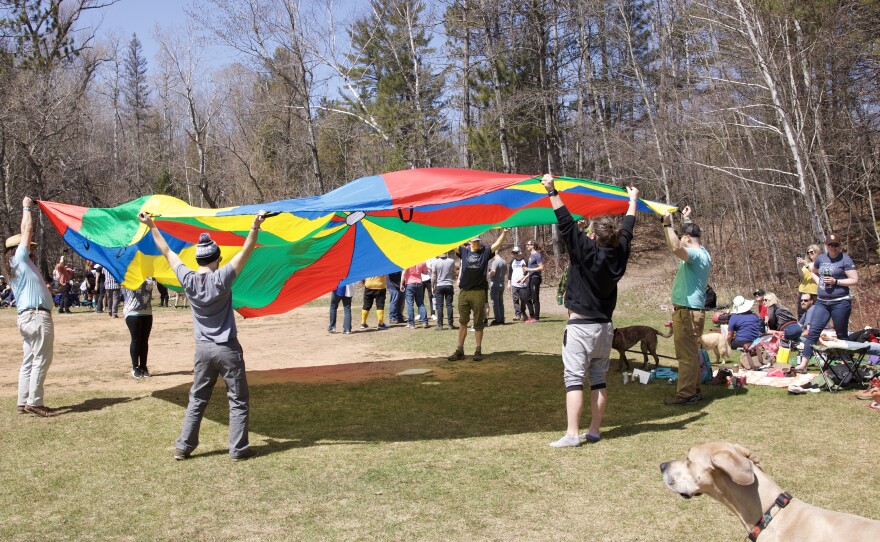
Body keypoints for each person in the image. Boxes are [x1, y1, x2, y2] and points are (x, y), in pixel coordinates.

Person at [139, 210, 266, 461]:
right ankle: (238, 449)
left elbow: (167, 251)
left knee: (197, 398)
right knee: (237, 400)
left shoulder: (187, 279)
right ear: (217, 258)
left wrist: (151, 224)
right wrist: (255, 226)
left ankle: (183, 447)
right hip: (227, 348)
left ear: (198, 260)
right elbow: (246, 251)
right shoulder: (223, 277)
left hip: (203, 350)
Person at [542, 174, 638, 447]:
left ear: (593, 235)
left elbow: (565, 221)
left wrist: (552, 190)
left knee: (574, 379)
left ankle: (573, 434)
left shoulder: (586, 251)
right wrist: (632, 201)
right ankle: (594, 430)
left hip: (581, 328)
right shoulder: (619, 254)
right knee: (597, 378)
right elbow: (628, 229)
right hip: (605, 328)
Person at [5, 197, 57, 417]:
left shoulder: (16, 266)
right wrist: (27, 207)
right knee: (42, 358)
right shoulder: (20, 258)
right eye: (29, 246)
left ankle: (22, 400)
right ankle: (34, 401)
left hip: (27, 318)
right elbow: (27, 229)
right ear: (19, 248)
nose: (32, 248)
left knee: (28, 360)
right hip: (36, 317)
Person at [662, 206, 712, 406]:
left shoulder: (697, 255)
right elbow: (686, 239)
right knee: (691, 353)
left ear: (688, 239)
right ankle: (694, 391)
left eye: (682, 237)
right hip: (691, 312)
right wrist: (687, 218)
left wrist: (667, 224)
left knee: (686, 356)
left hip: (688, 313)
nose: (680, 240)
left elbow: (675, 247)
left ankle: (686, 394)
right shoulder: (702, 253)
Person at [448, 229, 509, 362]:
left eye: (478, 241)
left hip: (479, 293)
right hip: (464, 292)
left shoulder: (485, 253)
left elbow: (496, 245)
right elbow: (450, 244)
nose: (477, 243)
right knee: (462, 322)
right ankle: (460, 350)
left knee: (478, 323)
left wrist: (504, 233)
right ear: (470, 242)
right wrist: (443, 230)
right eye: (474, 241)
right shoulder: (464, 252)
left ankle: (478, 350)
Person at [800, 232, 859, 369]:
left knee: (841, 333)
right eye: (830, 245)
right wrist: (819, 281)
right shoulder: (821, 258)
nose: (833, 247)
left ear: (840, 246)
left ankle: (848, 364)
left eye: (836, 245)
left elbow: (854, 280)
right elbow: (813, 271)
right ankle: (803, 363)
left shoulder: (845, 259)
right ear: (826, 245)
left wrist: (836, 281)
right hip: (822, 301)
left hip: (840, 302)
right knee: (813, 331)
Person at [122, 278, 155, 378]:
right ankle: (135, 367)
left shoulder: (150, 275)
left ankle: (143, 367)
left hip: (147, 311)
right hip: (133, 312)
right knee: (136, 339)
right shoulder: (129, 274)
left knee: (144, 340)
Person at [727, 295, 764, 369]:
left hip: (740, 342)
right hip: (755, 341)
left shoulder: (734, 317)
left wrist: (727, 343)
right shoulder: (755, 316)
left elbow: (729, 335)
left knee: (731, 341)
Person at [432, 251, 456, 330]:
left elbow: (433, 276)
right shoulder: (451, 261)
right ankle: (450, 324)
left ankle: (440, 325)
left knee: (440, 306)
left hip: (439, 285)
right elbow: (454, 271)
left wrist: (433, 286)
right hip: (449, 284)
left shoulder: (435, 262)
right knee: (449, 305)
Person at [401, 262, 429, 329]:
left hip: (409, 284)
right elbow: (425, 272)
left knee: (410, 304)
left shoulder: (407, 261)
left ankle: (411, 323)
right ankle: (425, 322)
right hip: (419, 283)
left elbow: (404, 273)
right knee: (421, 304)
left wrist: (401, 284)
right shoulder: (422, 261)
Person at [793, 294, 816, 372]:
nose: (803, 302)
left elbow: (809, 332)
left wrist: (793, 336)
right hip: (812, 338)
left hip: (818, 339)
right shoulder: (806, 312)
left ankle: (803, 365)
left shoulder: (811, 310)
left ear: (811, 301)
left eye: (805, 300)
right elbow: (797, 327)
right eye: (801, 300)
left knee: (791, 340)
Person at [796, 244, 820, 317]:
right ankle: (801, 327)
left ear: (817, 252)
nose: (809, 254)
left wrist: (806, 264)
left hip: (814, 292)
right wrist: (799, 266)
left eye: (811, 252)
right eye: (808, 253)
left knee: (815, 314)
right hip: (803, 290)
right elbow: (802, 275)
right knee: (801, 313)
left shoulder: (820, 263)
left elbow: (815, 271)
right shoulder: (807, 263)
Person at [523, 240, 544, 322]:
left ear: (533, 245)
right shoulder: (531, 255)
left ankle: (536, 318)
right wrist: (525, 277)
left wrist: (529, 269)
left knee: (535, 299)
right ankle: (531, 317)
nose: (526, 245)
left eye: (528, 244)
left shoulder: (537, 255)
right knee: (526, 298)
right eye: (526, 244)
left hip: (536, 279)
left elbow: (541, 267)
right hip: (531, 278)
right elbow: (531, 270)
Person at [508, 246, 528, 320]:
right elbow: (510, 273)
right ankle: (517, 314)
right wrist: (509, 283)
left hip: (523, 284)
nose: (515, 254)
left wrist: (524, 279)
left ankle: (523, 312)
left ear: (520, 252)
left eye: (516, 252)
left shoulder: (525, 261)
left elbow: (528, 272)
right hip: (514, 284)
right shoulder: (512, 261)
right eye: (513, 253)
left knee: (523, 299)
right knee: (515, 299)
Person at [488, 247, 507, 326]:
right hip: (502, 284)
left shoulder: (495, 262)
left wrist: (488, 274)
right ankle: (502, 319)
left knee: (495, 303)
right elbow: (506, 272)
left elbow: (493, 272)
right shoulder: (504, 261)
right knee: (500, 303)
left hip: (495, 284)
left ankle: (497, 320)